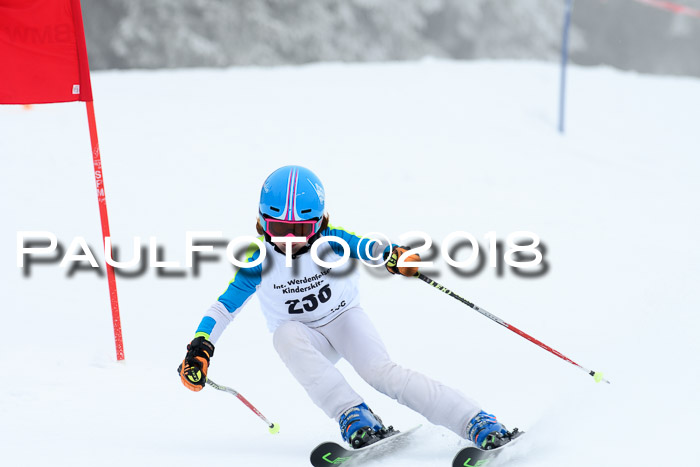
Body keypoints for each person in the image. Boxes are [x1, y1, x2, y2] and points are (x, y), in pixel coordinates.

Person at [179, 165, 519, 450]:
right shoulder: (258, 260)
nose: (288, 240)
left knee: (381, 373)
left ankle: (475, 420)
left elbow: (370, 247)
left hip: (344, 321)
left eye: (300, 230)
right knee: (284, 334)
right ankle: (353, 415)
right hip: (305, 340)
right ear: (262, 222)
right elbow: (223, 308)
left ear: (320, 224)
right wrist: (200, 347)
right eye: (279, 229)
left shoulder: (330, 243)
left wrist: (395, 257)